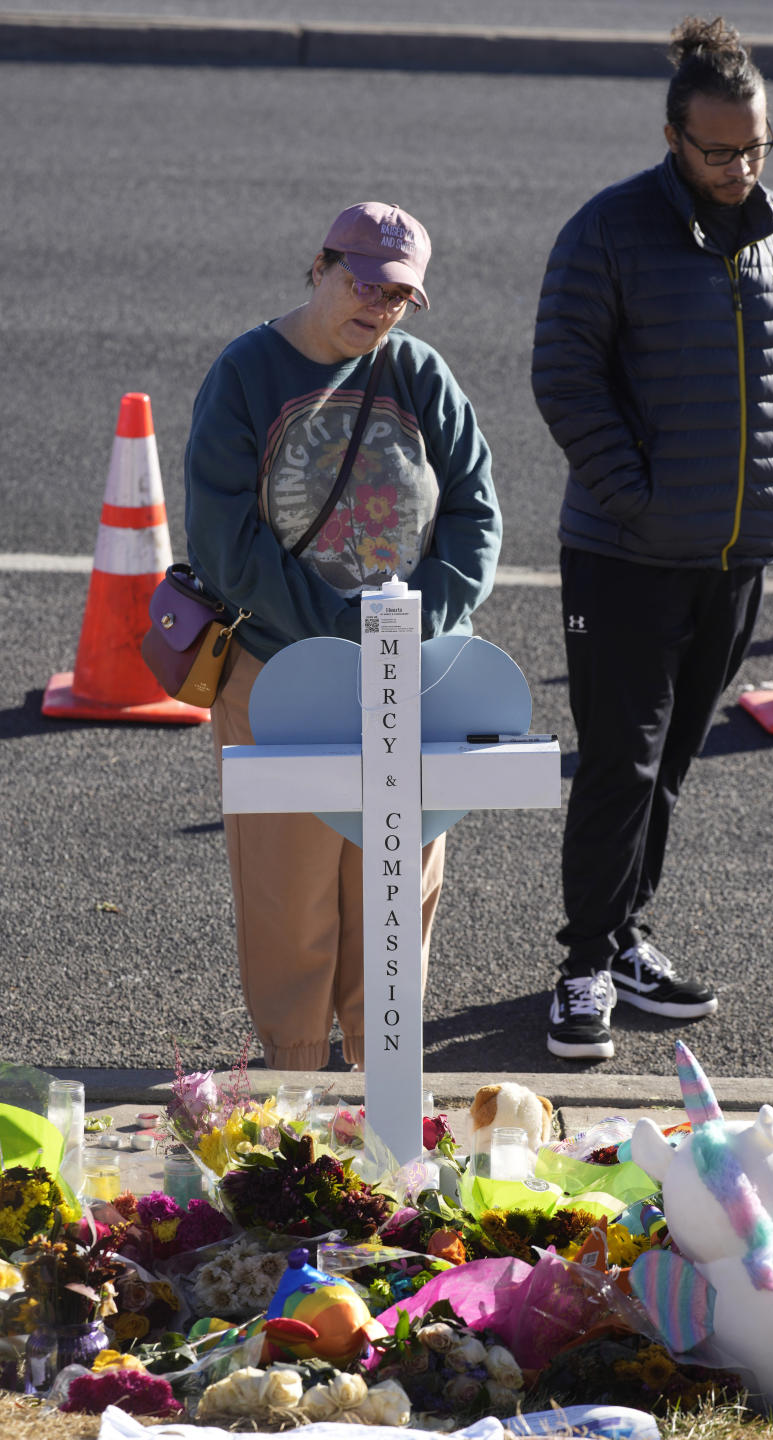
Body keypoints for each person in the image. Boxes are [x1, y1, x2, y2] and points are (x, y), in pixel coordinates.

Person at [531, 17, 773, 1060]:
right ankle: (580, 967)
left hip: (736, 553)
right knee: (619, 761)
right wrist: (640, 497)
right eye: (718, 150)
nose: (739, 167)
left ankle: (626, 940)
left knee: (673, 764)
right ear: (673, 136)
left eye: (756, 147)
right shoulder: (609, 231)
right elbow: (565, 378)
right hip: (626, 553)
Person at [184, 201, 501, 1071]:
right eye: (365, 285)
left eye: (401, 297)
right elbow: (225, 543)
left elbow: (476, 518)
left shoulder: (420, 374)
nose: (380, 308)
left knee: (397, 883)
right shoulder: (247, 373)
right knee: (288, 889)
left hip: (413, 671)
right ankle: (295, 1073)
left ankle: (380, 1068)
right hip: (282, 671)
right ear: (318, 266)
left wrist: (411, 628)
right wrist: (342, 637)